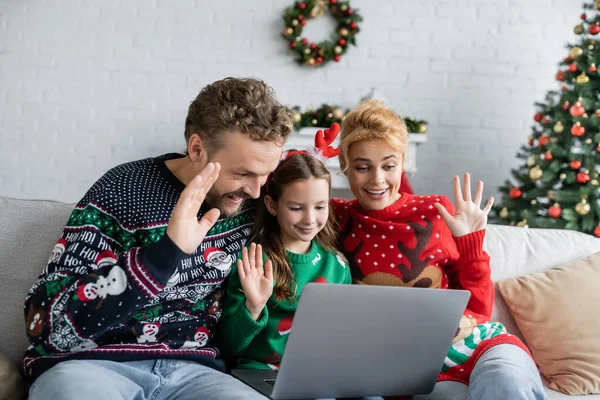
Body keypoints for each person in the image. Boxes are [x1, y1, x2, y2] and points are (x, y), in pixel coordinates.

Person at [24, 77, 292, 400]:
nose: (255, 190)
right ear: (196, 148)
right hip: (94, 365)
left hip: (195, 373)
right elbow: (43, 323)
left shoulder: (250, 207)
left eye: (265, 174)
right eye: (243, 173)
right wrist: (164, 255)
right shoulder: (123, 190)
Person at [331, 99, 547, 400]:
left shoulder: (435, 211)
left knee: (506, 382)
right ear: (345, 166)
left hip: (476, 345)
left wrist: (471, 242)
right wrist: (312, 157)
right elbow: (279, 198)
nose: (378, 179)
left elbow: (481, 308)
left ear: (403, 162)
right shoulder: (333, 217)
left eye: (389, 165)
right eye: (362, 167)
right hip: (414, 368)